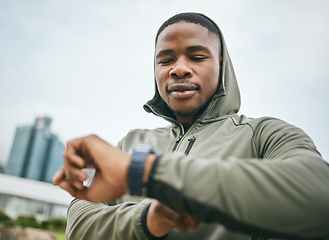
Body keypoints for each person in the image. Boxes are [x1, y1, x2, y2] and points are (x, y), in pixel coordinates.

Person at [52, 12, 329, 240]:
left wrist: (145, 173)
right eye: (166, 60)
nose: (179, 69)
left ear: (221, 64)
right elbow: (79, 225)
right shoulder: (130, 143)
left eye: (197, 57)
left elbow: (319, 197)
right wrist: (149, 219)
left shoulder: (264, 135)